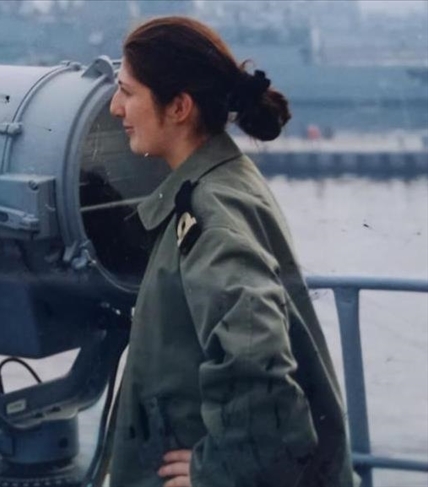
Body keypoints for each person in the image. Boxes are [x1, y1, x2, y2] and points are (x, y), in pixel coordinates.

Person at [106, 16, 357, 487]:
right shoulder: (226, 178)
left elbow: (255, 349)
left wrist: (220, 471)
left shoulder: (210, 213)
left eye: (127, 91)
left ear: (179, 107)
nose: (115, 107)